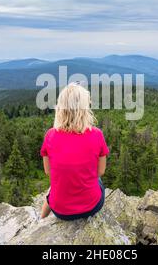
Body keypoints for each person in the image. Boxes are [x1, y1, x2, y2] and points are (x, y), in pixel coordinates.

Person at [40, 82, 109, 220]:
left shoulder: (50, 135)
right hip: (91, 207)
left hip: (60, 211)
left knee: (54, 188)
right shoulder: (97, 134)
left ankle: (40, 219)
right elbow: (100, 172)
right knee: (99, 182)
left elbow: (48, 171)